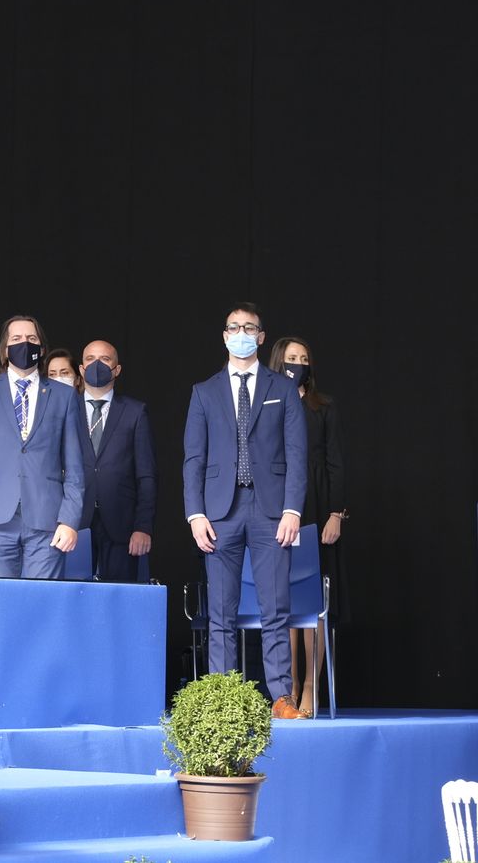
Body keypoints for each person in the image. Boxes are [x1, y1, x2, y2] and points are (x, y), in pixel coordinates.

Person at [183, 302, 308, 719]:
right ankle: (223, 701)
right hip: (219, 512)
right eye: (234, 327)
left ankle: (281, 697)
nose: (241, 333)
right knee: (221, 612)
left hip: (271, 509)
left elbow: (297, 454)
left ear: (261, 336)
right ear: (224, 335)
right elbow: (193, 459)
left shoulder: (283, 389)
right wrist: (195, 514)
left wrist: (293, 509)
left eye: (248, 327)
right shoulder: (203, 391)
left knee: (275, 608)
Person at [0, 316, 86, 579]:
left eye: (32, 339)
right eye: (16, 339)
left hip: (48, 522)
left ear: (41, 348)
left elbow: (75, 466)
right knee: (0, 608)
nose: (24, 344)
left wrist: (70, 520)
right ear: (5, 349)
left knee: (40, 607)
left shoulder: (64, 396)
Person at [268, 335, 346, 717]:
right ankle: (289, 687)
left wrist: (336, 513)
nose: (298, 363)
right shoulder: (267, 403)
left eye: (304, 358)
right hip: (278, 507)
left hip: (315, 506)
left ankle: (312, 685)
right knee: (284, 597)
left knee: (313, 602)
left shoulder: (323, 407)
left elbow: (335, 463)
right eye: (291, 357)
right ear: (278, 361)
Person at [76, 339, 158, 582]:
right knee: (74, 599)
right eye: (90, 359)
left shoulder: (135, 411)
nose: (96, 365)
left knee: (119, 600)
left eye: (105, 359)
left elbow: (146, 475)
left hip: (122, 526)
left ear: (117, 369)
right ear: (81, 369)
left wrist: (142, 527)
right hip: (75, 524)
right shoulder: (66, 409)